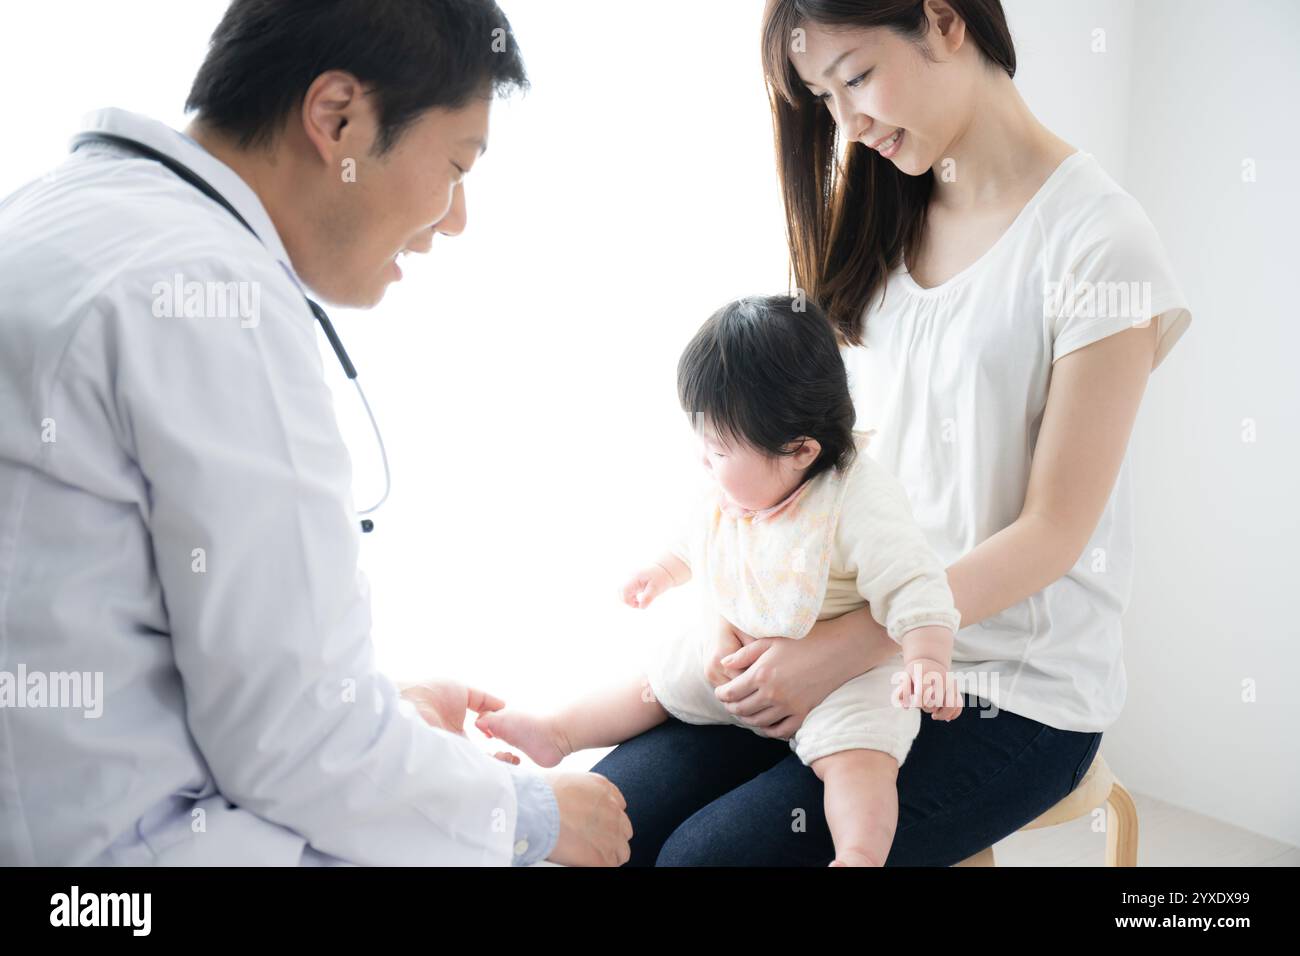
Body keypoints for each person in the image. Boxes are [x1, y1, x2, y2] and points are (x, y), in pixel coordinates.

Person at [0, 0, 629, 866]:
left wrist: (381, 715)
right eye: (456, 164)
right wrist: (531, 815)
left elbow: (127, 631)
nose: (455, 218)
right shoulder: (214, 298)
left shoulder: (54, 215)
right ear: (337, 118)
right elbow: (297, 745)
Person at [588, 0, 1193, 866]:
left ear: (944, 21)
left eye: (858, 77)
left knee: (704, 859)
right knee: (607, 824)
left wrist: (849, 645)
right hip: (834, 632)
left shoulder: (1100, 245)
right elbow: (818, 463)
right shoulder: (875, 213)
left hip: (1009, 686)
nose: (848, 122)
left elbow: (1055, 531)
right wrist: (744, 605)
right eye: (823, 97)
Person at [475, 295, 964, 866]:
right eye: (704, 443)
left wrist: (927, 660)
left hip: (845, 679)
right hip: (737, 662)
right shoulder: (733, 488)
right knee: (655, 682)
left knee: (860, 756)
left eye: (721, 450)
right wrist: (661, 572)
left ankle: (859, 852)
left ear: (802, 450)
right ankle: (557, 732)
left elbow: (916, 583)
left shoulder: (856, 500)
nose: (705, 462)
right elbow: (697, 539)